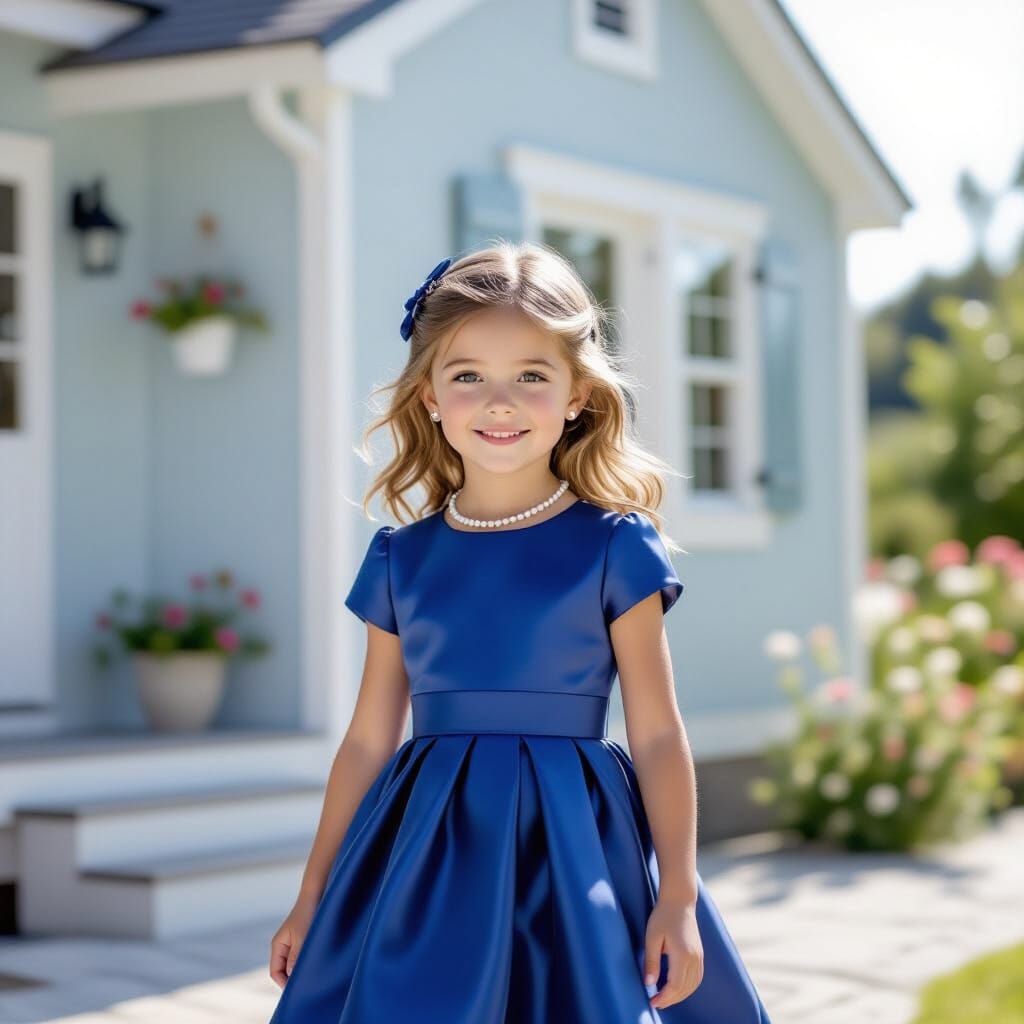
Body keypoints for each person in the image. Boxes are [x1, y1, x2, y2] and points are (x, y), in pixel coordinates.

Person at [267, 242, 772, 1022]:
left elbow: (660, 735)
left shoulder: (614, 544)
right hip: (429, 846)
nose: (497, 402)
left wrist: (677, 893)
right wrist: (312, 896)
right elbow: (369, 739)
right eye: (467, 375)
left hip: (572, 844)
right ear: (429, 394)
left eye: (531, 376)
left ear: (577, 395)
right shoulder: (401, 557)